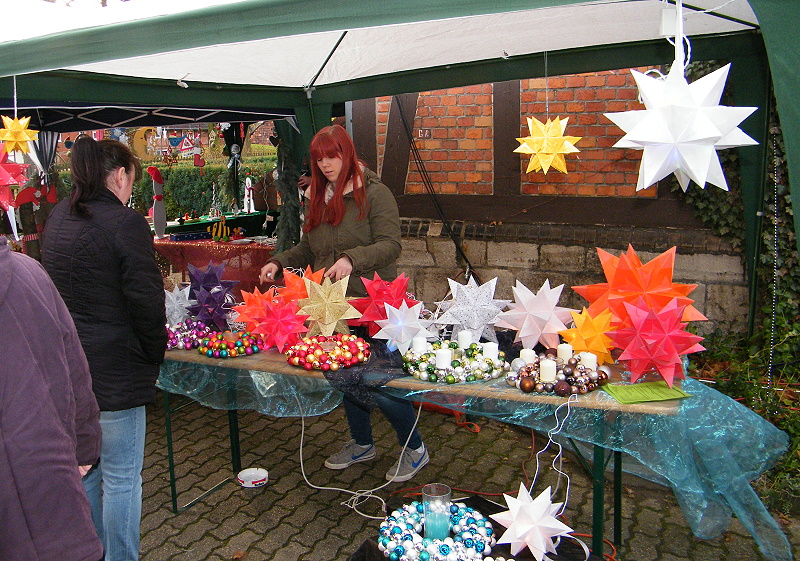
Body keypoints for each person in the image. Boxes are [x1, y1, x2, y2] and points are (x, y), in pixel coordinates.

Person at [259, 124, 429, 482]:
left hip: (373, 306)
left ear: (347, 153)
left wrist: (352, 259)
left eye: (332, 156)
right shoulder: (317, 197)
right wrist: (279, 260)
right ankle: (362, 442)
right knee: (342, 376)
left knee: (381, 381)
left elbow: (391, 244)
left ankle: (414, 447)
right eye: (318, 159)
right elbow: (309, 248)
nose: (325, 165)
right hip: (331, 309)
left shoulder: (375, 194)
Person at [42, 136, 168, 561]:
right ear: (118, 175)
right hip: (116, 375)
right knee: (121, 478)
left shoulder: (59, 216)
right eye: (131, 179)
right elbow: (147, 305)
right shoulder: (125, 224)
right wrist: (154, 356)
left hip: (72, 372)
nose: (131, 188)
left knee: (91, 472)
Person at [0, 236, 103, 561]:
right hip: (58, 512)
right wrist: (85, 446)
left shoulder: (34, 265)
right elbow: (75, 372)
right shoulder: (29, 273)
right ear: (119, 179)